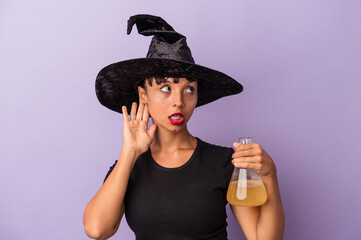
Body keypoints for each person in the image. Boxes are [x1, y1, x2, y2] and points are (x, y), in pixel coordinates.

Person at [83, 14, 285, 240]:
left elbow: (262, 238)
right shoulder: (128, 166)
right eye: (166, 88)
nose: (179, 101)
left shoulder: (224, 162)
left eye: (189, 89)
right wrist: (129, 153)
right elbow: (96, 229)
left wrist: (270, 175)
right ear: (144, 95)